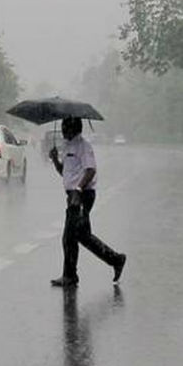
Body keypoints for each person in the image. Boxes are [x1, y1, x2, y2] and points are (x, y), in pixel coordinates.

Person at [48, 117, 126, 288]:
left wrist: (78, 189)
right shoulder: (68, 146)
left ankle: (70, 276)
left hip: (82, 196)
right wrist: (55, 160)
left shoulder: (84, 146)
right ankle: (116, 259)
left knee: (69, 236)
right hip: (73, 195)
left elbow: (90, 170)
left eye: (64, 126)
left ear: (74, 128)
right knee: (82, 236)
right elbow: (67, 173)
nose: (62, 130)